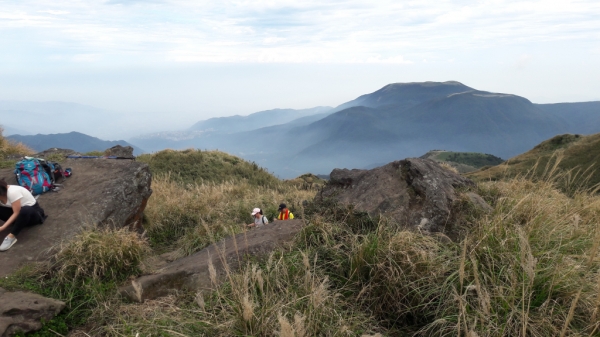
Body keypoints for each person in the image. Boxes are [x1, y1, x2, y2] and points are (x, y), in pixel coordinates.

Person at [0, 179, 47, 251]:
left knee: (25, 210)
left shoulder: (12, 192)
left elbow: (16, 212)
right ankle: (18, 224)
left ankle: (11, 237)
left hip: (33, 215)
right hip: (17, 216)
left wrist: (3, 227)